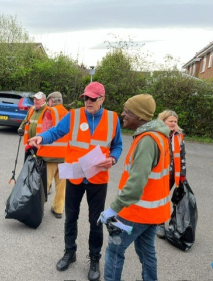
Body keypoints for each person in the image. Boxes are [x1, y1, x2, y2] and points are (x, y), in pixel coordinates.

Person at [28, 82, 122, 281]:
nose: (88, 101)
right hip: (75, 174)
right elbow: (55, 132)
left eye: (93, 98)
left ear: (102, 99)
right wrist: (41, 138)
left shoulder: (113, 119)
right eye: (85, 98)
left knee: (96, 220)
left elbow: (117, 146)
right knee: (71, 217)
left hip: (98, 178)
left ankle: (95, 258)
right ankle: (69, 252)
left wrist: (113, 158)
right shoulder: (74, 115)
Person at [99, 94, 171, 281]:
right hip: (152, 213)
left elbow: (136, 183)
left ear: (139, 116)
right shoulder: (158, 136)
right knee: (146, 252)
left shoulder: (147, 140)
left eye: (127, 111)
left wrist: (113, 209)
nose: (123, 114)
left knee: (115, 250)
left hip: (136, 211)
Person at [36, 91, 68, 218]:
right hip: (65, 156)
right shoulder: (69, 114)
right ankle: (58, 209)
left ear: (52, 101)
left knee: (45, 184)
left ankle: (39, 208)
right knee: (61, 186)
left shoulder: (49, 111)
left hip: (49, 155)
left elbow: (45, 131)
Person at [156, 109, 186, 239]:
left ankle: (158, 222)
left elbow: (182, 155)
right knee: (157, 198)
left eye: (175, 121)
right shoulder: (157, 134)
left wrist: (182, 174)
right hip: (158, 173)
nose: (173, 123)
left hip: (172, 175)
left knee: (164, 198)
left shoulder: (179, 136)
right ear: (163, 121)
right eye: (170, 121)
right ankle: (158, 223)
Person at [18, 91, 53, 197]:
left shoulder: (47, 111)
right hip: (30, 143)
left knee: (41, 166)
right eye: (34, 99)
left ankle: (46, 186)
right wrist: (21, 127)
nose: (35, 101)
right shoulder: (32, 109)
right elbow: (26, 120)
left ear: (44, 100)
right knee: (29, 163)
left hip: (41, 144)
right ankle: (29, 182)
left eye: (37, 99)